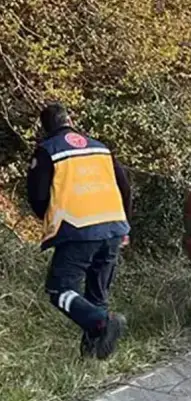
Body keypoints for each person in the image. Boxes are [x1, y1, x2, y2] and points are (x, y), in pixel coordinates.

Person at [26, 103, 131, 360]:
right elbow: (125, 187)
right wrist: (125, 224)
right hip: (113, 227)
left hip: (78, 228)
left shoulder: (47, 150)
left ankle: (101, 323)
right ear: (70, 120)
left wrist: (50, 218)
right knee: (97, 295)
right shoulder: (100, 148)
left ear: (44, 128)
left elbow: (38, 196)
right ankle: (91, 358)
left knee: (58, 290)